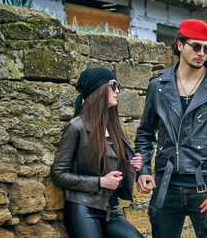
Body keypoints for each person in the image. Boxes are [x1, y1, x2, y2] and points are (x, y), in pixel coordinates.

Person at [135, 19, 207, 238]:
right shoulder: (158, 86)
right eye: (196, 46)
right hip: (166, 185)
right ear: (179, 45)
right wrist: (144, 170)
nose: (202, 53)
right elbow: (145, 133)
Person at [51, 67, 144, 238]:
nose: (117, 91)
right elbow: (58, 174)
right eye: (113, 85)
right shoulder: (76, 127)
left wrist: (131, 165)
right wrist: (100, 182)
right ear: (98, 89)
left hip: (111, 209)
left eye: (118, 86)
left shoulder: (114, 127)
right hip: (83, 207)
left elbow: (111, 170)